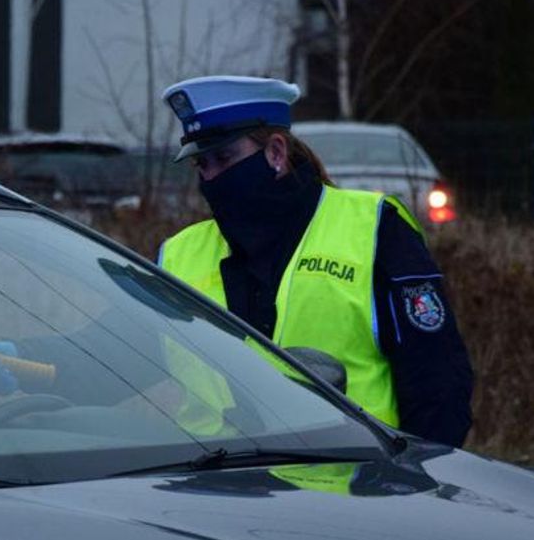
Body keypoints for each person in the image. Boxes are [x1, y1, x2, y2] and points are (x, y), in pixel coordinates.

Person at [157, 75, 473, 447]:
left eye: (224, 158)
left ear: (275, 153)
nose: (212, 177)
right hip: (213, 489)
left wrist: (413, 487)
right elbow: (120, 356)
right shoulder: (178, 254)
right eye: (201, 165)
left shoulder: (373, 229)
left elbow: (438, 383)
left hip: (354, 488)